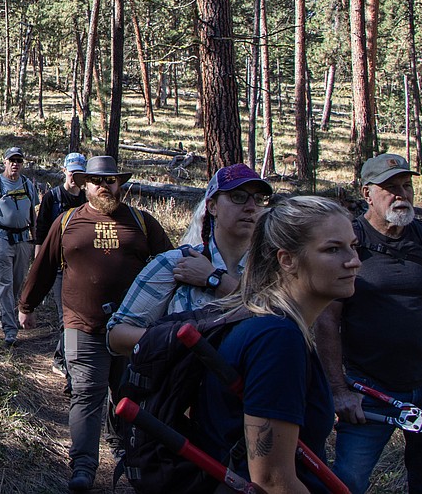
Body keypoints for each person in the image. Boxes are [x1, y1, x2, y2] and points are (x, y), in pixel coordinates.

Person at [18, 155, 173, 492]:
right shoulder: (67, 221)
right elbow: (43, 266)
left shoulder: (143, 223)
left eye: (112, 180)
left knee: (127, 395)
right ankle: (84, 467)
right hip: (80, 325)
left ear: (122, 184)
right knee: (86, 394)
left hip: (131, 330)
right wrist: (26, 306)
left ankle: (125, 456)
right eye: (98, 181)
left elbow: (170, 267)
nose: (106, 186)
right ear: (86, 185)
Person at [315, 154, 422, 494]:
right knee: (347, 481)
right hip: (368, 389)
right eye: (390, 188)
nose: (402, 195)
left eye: (406, 186)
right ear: (367, 194)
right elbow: (327, 320)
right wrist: (339, 390)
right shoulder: (350, 243)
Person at [194, 196, 360, 494]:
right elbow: (272, 481)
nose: (353, 261)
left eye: (353, 246)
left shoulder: (272, 324)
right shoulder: (276, 338)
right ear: (287, 260)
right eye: (333, 249)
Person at [106, 164, 273, 355]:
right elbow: (116, 335)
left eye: (259, 199)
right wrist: (178, 338)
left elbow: (281, 321)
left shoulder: (275, 270)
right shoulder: (175, 264)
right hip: (185, 384)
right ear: (212, 206)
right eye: (238, 197)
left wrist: (215, 280)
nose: (251, 207)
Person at [0, 147, 39, 347]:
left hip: (23, 240)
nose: (15, 164)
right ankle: (10, 330)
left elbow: (33, 215)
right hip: (0, 239)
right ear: (4, 161)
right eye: (11, 160)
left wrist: (36, 241)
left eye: (18, 161)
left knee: (16, 283)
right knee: (5, 284)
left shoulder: (28, 185)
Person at [35, 153, 88, 383]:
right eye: (72, 172)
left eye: (80, 173)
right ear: (64, 171)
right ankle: (65, 363)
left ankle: (62, 356)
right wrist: (38, 265)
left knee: (76, 316)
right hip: (57, 266)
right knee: (65, 317)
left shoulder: (88, 199)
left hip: (81, 269)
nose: (75, 177)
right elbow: (41, 231)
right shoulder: (52, 198)